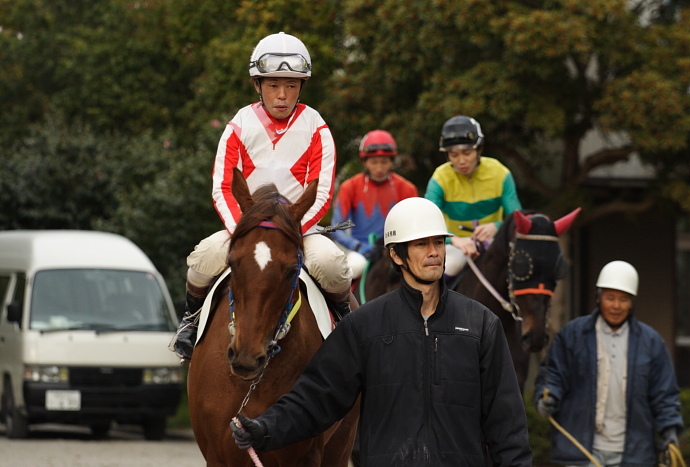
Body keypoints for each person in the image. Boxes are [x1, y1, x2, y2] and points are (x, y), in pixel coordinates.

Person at [231, 197, 532, 466]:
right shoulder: (364, 326)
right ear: (397, 255)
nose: (433, 253)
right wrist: (265, 428)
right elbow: (317, 398)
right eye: (421, 244)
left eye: (439, 243)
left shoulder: (482, 324)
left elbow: (507, 422)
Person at [169, 32, 353, 361]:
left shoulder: (317, 127)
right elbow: (222, 186)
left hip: (299, 230)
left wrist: (292, 230)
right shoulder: (239, 124)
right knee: (202, 259)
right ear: (258, 84)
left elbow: (322, 192)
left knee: (331, 264)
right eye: (273, 85)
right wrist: (241, 229)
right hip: (245, 228)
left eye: (292, 85)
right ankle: (190, 322)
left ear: (301, 87)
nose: (282, 95)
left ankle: (351, 331)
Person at [534, 260, 684, 466]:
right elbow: (553, 374)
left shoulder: (651, 343)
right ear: (598, 298)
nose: (616, 305)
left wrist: (670, 431)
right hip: (579, 450)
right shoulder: (572, 335)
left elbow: (664, 394)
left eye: (623, 299)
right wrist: (547, 395)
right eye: (610, 297)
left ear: (631, 302)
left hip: (634, 456)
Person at [425, 115, 522, 278]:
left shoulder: (500, 173)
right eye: (454, 155)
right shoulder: (439, 178)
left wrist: (497, 227)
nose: (461, 161)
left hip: (495, 243)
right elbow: (426, 223)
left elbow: (519, 219)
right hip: (454, 245)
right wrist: (454, 240)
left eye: (467, 152)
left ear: (479, 149)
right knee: (450, 265)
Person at [330, 129, 418, 279]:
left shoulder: (407, 189)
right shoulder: (349, 187)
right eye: (373, 162)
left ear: (391, 161)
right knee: (352, 268)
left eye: (384, 162)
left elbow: (414, 226)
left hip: (396, 250)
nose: (379, 168)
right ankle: (341, 303)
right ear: (364, 162)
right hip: (362, 252)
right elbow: (336, 229)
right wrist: (357, 246)